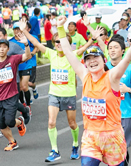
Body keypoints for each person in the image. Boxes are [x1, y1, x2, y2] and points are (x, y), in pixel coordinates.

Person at [58, 15, 131, 166]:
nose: (92, 61)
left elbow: (126, 60)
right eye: (88, 59)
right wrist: (60, 28)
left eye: (96, 57)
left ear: (103, 60)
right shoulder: (84, 75)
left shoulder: (112, 76)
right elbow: (68, 52)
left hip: (112, 136)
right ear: (85, 63)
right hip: (91, 137)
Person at [21, 24, 86, 162]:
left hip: (68, 94)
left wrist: (95, 37)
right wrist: (24, 30)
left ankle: (75, 145)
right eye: (56, 42)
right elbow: (35, 42)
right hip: (54, 94)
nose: (58, 44)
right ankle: (55, 150)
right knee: (51, 122)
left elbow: (86, 47)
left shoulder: (73, 55)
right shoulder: (51, 54)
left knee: (72, 123)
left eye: (61, 42)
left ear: (68, 44)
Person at [105, 35, 131, 161]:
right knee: (110, 150)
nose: (112, 50)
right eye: (110, 48)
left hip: (125, 114)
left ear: (123, 51)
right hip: (107, 115)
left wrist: (128, 90)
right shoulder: (103, 69)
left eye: (116, 47)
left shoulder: (130, 69)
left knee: (122, 148)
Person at [10, 23, 38, 111]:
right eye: (15, 29)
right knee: (19, 89)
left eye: (18, 29)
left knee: (24, 86)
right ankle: (23, 104)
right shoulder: (10, 42)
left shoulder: (27, 39)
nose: (16, 31)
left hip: (27, 65)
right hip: (16, 67)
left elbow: (36, 46)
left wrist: (32, 54)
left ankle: (28, 106)